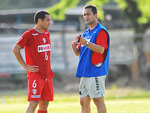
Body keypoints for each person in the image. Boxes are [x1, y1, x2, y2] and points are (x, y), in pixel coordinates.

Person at [13, 10, 54, 113]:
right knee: (33, 103)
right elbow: (15, 49)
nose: (50, 22)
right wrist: (25, 66)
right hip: (35, 75)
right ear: (39, 20)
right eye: (47, 20)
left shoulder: (46, 33)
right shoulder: (29, 34)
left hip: (47, 75)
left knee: (44, 104)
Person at [71, 5, 110, 113]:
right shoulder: (86, 32)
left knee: (98, 101)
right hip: (84, 71)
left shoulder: (101, 30)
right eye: (84, 15)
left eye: (88, 14)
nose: (86, 17)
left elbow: (101, 50)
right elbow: (79, 53)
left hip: (95, 71)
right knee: (83, 101)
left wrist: (86, 43)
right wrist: (74, 48)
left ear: (95, 15)